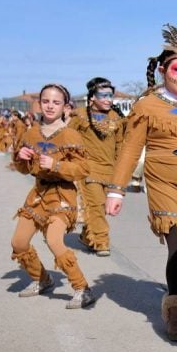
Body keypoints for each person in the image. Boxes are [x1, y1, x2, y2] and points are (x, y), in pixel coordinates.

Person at [106, 25, 177, 341]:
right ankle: (176, 314)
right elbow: (130, 148)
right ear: (163, 70)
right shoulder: (147, 105)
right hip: (163, 178)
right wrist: (117, 189)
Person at [10, 84, 94, 308]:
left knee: (55, 240)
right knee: (18, 243)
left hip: (63, 195)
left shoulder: (70, 134)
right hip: (38, 194)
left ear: (65, 107)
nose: (50, 106)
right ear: (39, 103)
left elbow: (83, 169)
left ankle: (82, 288)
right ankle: (42, 279)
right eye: (46, 101)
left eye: (56, 102)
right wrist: (20, 157)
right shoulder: (31, 133)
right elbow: (23, 169)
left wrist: (57, 165)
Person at [69, 77, 126, 256]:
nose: (109, 99)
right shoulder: (79, 116)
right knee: (96, 205)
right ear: (92, 97)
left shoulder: (116, 119)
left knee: (100, 208)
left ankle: (87, 236)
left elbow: (120, 146)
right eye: (104, 95)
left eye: (111, 95)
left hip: (110, 171)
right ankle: (102, 242)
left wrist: (121, 172)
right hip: (89, 168)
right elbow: (68, 139)